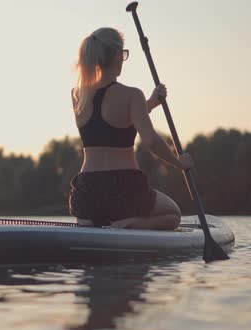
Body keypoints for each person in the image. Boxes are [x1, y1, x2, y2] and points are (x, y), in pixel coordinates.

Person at [69, 27, 194, 230]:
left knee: (95, 215)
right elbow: (151, 141)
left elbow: (106, 122)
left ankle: (93, 222)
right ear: (118, 55)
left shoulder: (78, 95)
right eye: (123, 54)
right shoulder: (131, 95)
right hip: (123, 187)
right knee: (174, 214)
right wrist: (179, 163)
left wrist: (150, 104)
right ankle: (127, 225)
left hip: (87, 191)